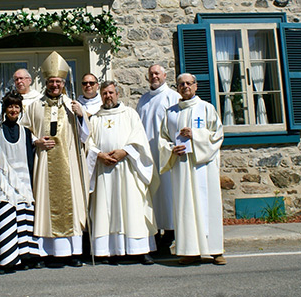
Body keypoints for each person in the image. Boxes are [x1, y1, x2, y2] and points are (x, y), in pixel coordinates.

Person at [21, 51, 90, 268]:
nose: (54, 85)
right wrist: (36, 141)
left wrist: (81, 116)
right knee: (44, 203)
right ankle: (44, 252)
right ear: (45, 82)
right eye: (51, 81)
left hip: (68, 164)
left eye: (58, 81)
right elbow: (23, 131)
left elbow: (86, 135)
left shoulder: (72, 105)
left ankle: (74, 252)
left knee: (72, 203)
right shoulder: (33, 105)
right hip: (43, 163)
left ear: (63, 82)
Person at [86, 81, 157, 265]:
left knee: (132, 207)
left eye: (111, 93)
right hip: (104, 170)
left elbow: (139, 138)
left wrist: (124, 151)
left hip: (128, 168)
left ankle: (140, 250)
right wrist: (99, 154)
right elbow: (88, 143)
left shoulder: (130, 114)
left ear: (117, 94)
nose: (108, 96)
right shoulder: (95, 118)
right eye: (104, 93)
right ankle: (107, 251)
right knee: (105, 209)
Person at [159, 73, 226, 265]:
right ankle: (189, 251)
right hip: (181, 166)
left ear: (196, 86)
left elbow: (217, 135)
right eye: (181, 84)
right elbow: (162, 139)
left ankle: (215, 251)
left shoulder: (206, 108)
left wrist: (195, 134)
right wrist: (172, 149)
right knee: (185, 207)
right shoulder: (171, 112)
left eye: (189, 83)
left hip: (202, 166)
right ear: (177, 88)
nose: (185, 86)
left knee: (209, 206)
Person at [0, 91, 43, 274]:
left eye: (17, 106)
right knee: (5, 218)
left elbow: (31, 157)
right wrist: (0, 178)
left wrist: (30, 183)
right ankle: (4, 260)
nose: (13, 110)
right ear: (5, 109)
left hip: (23, 182)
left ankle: (25, 257)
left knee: (24, 220)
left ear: (20, 109)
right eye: (10, 106)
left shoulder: (26, 132)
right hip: (3, 182)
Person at [136, 64, 181, 246]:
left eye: (157, 73)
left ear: (164, 75)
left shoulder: (173, 97)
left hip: (165, 153)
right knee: (152, 194)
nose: (154, 76)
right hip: (147, 153)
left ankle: (170, 230)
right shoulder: (144, 99)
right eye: (151, 74)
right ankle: (154, 231)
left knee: (167, 192)